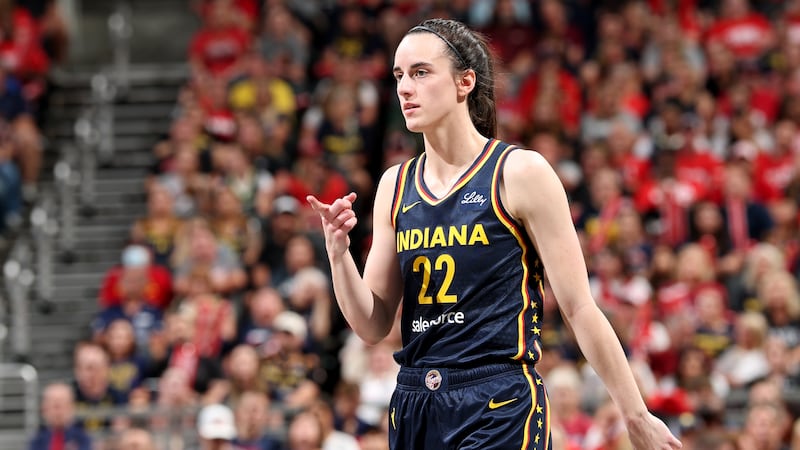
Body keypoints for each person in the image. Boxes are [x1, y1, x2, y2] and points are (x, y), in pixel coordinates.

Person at [307, 18, 682, 450]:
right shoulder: (395, 183)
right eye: (399, 76)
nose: (405, 88)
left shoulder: (520, 172)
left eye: (420, 72)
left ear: (465, 82)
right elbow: (371, 324)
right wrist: (339, 254)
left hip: (497, 397)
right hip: (413, 401)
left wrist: (635, 414)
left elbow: (580, 308)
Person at [28, 382, 92, 450]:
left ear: (72, 408)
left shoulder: (83, 439)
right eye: (55, 406)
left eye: (63, 405)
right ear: (44, 409)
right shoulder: (37, 441)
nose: (58, 412)